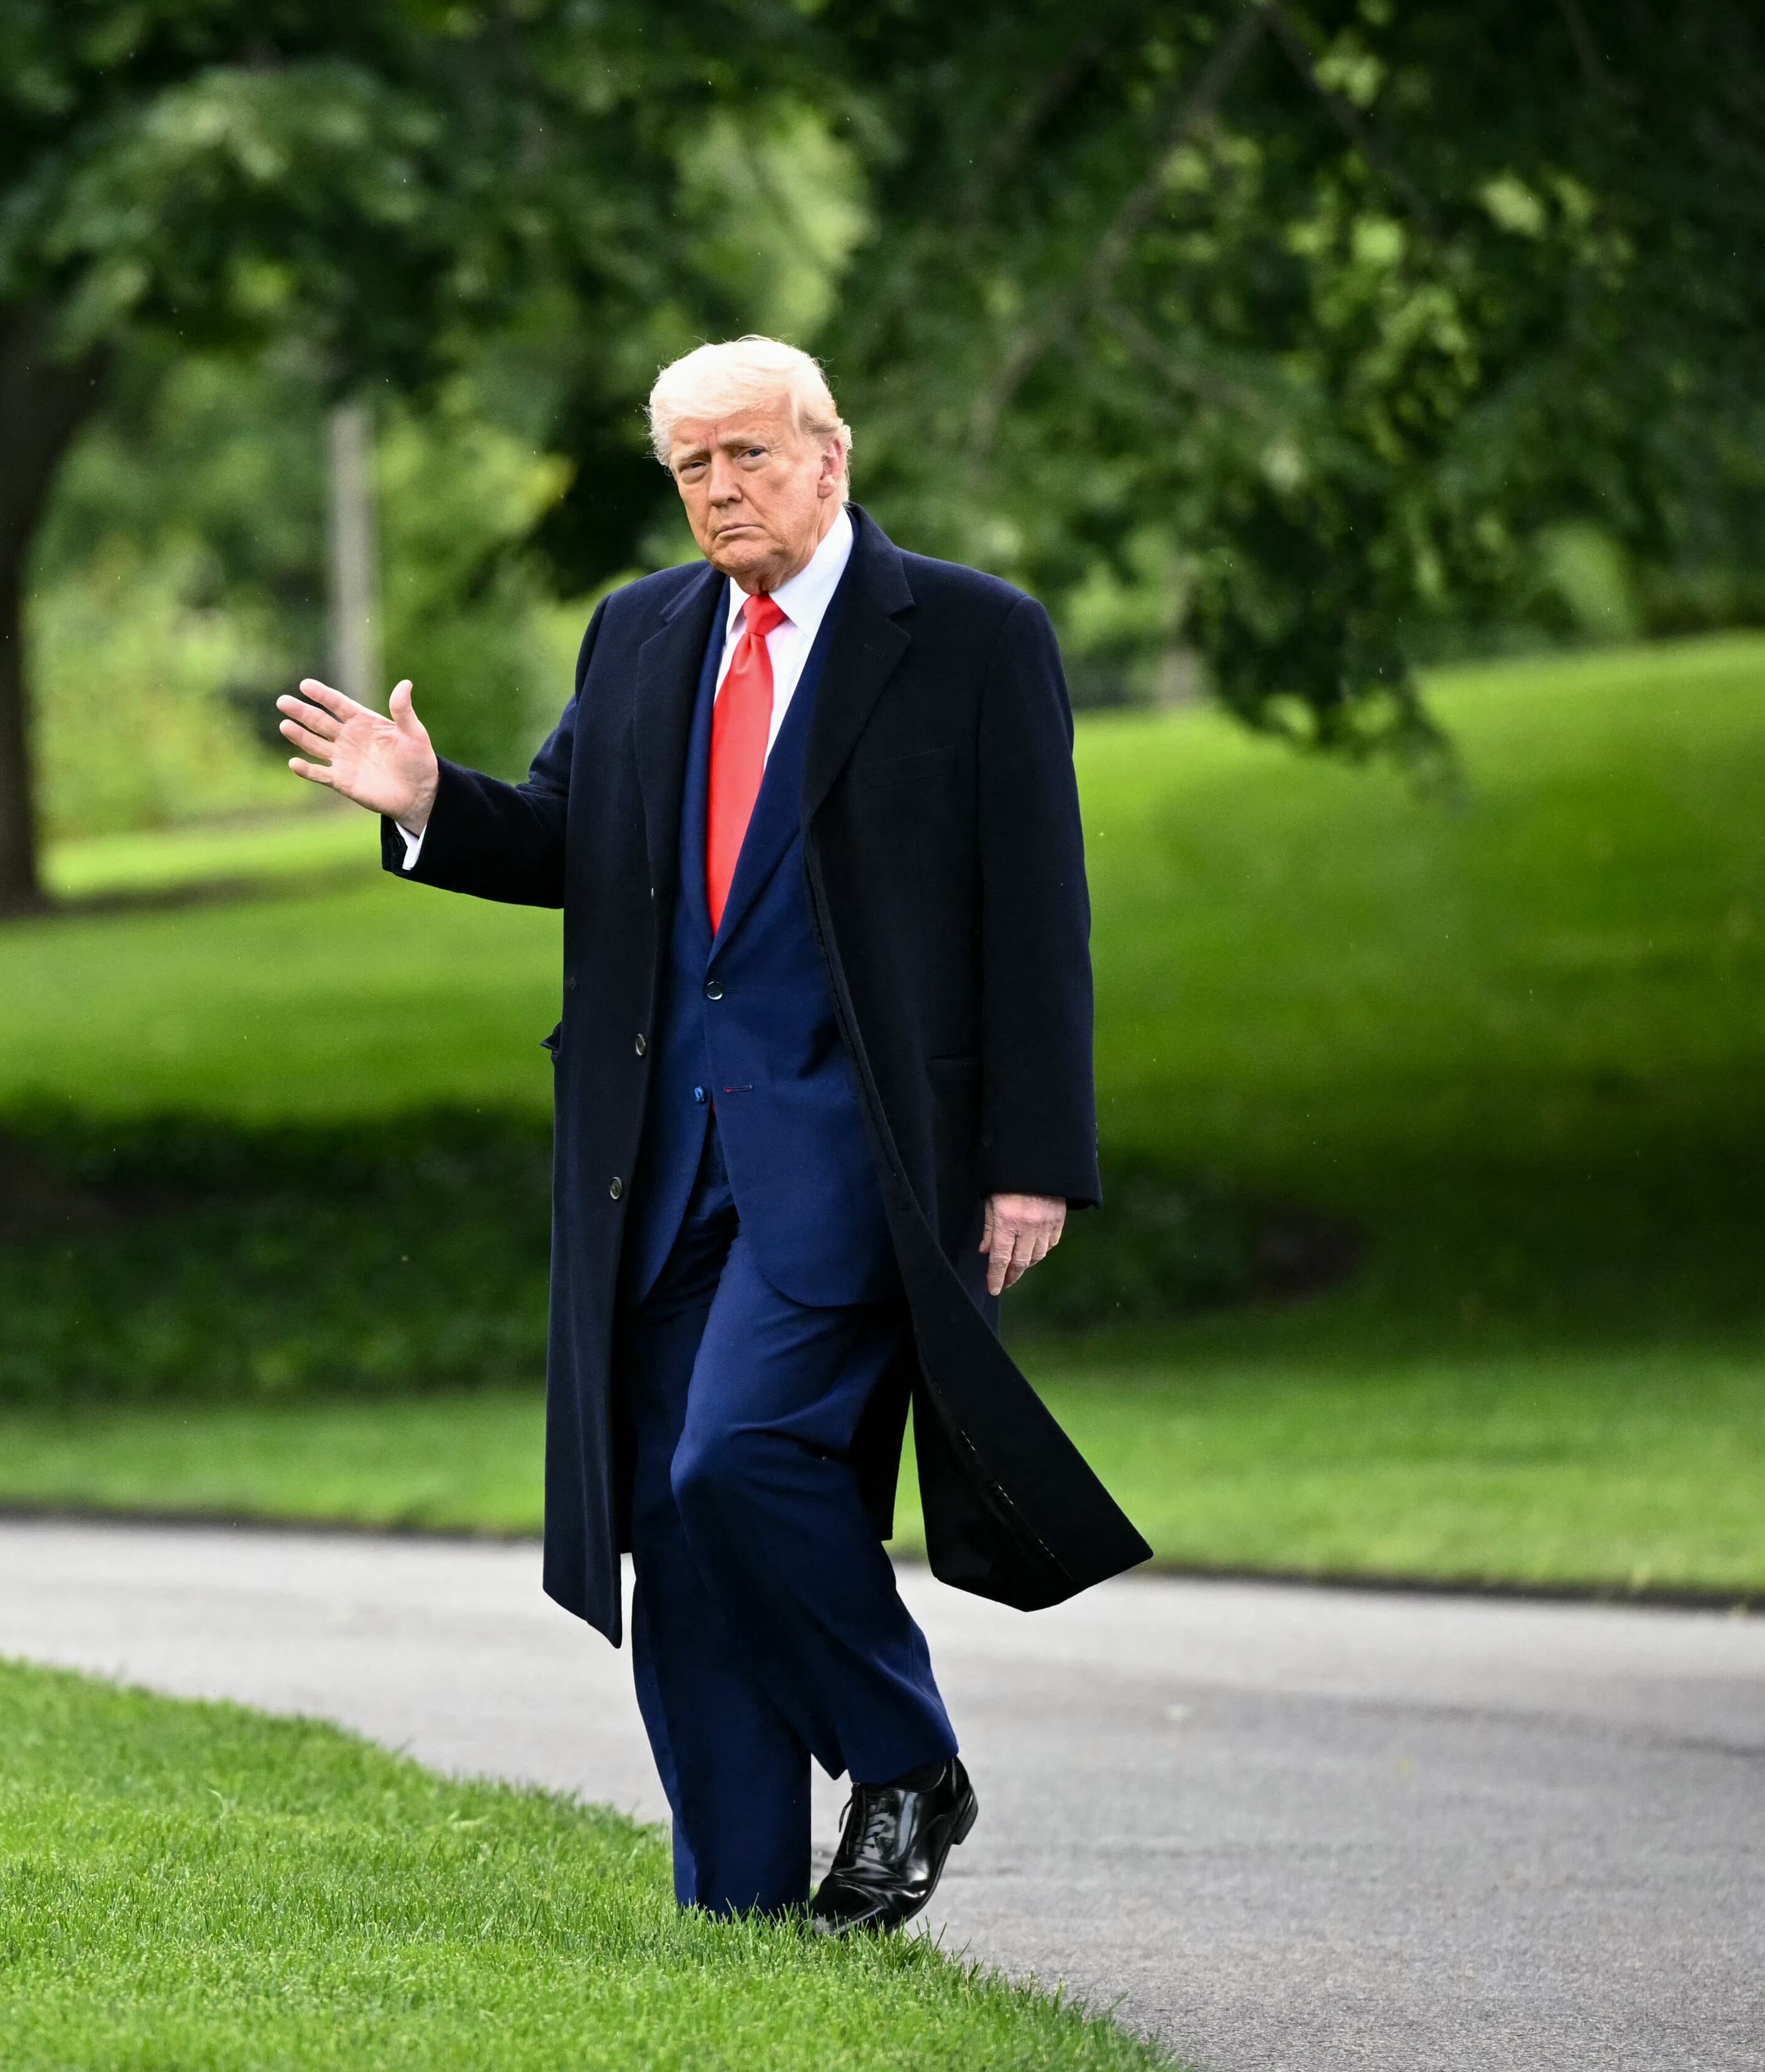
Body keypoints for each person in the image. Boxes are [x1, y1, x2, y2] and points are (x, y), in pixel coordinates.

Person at [277, 336, 1147, 1928]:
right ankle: (737, 1914)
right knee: (673, 1529)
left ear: (832, 453)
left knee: (739, 1457)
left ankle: (902, 1757)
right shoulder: (641, 632)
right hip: (655, 1166)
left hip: (857, 1157)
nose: (720, 488)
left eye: (749, 453)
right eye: (692, 464)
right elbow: (570, 843)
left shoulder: (966, 635)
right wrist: (423, 800)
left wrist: (1036, 1155)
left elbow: (1036, 914)